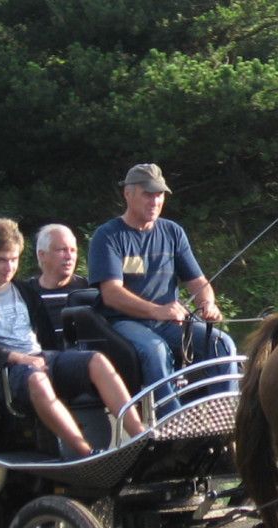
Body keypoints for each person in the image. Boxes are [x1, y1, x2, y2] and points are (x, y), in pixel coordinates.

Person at [0, 218, 146, 457]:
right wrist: (17, 358)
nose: (9, 267)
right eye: (1, 260)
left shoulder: (24, 291)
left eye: (14, 260)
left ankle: (141, 438)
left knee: (96, 361)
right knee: (37, 379)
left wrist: (62, 366)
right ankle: (86, 453)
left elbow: (47, 340)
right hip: (4, 372)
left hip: (41, 358)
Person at [88, 163, 236, 416]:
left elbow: (198, 281)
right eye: (148, 194)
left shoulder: (172, 232)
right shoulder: (108, 236)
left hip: (168, 321)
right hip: (124, 322)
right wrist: (157, 311)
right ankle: (172, 420)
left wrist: (208, 303)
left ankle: (222, 415)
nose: (155, 201)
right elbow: (111, 293)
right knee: (155, 350)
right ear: (128, 194)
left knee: (222, 343)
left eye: (159, 195)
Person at [31, 223, 90, 342]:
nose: (69, 256)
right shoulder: (25, 293)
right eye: (62, 250)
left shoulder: (88, 289)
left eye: (73, 250)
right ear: (42, 255)